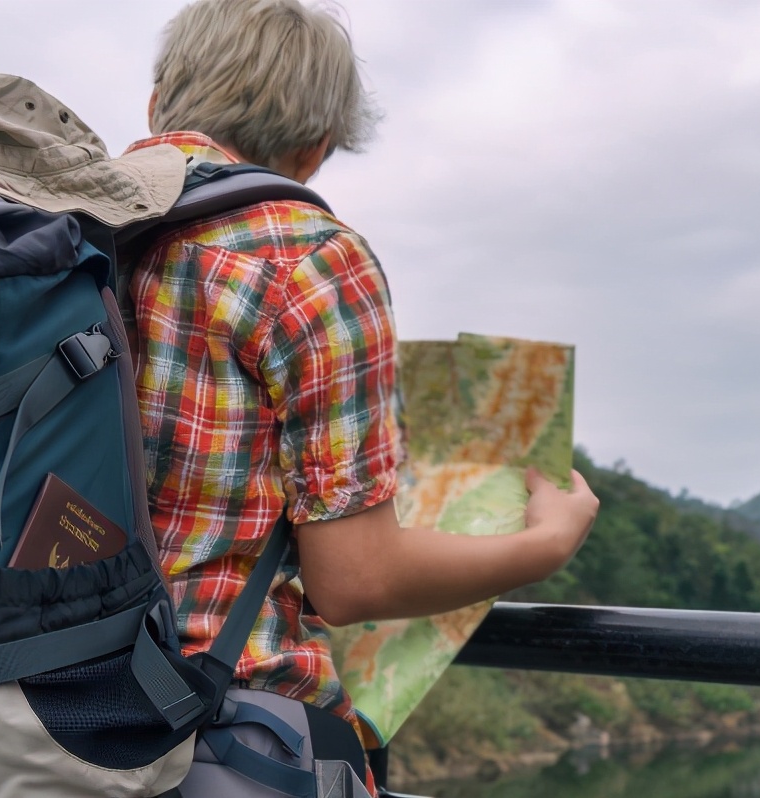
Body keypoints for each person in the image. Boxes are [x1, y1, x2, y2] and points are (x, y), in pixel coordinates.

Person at [125, 0, 600, 793]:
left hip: (33, 715)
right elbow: (355, 581)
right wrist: (542, 546)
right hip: (207, 726)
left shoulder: (59, 232)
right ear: (315, 149)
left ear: (154, 108)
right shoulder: (308, 256)